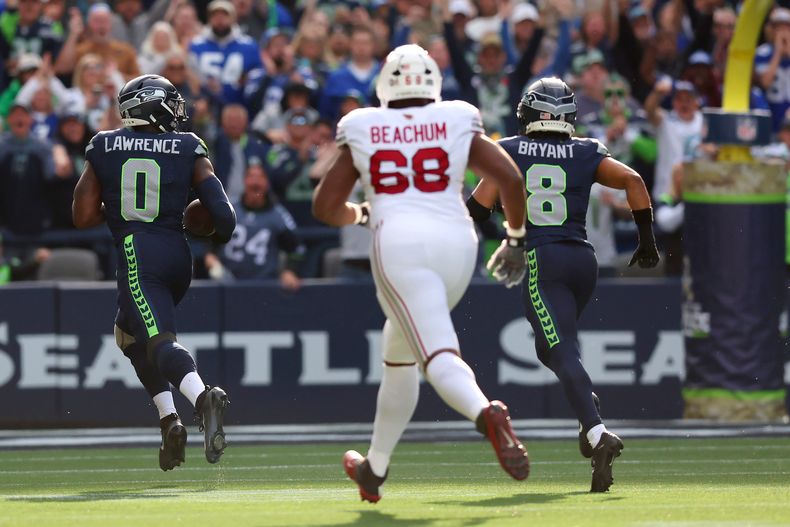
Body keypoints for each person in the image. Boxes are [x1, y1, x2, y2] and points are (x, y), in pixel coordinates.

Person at [313, 44, 530, 503]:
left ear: (384, 84)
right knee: (400, 349)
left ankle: (486, 413)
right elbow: (510, 179)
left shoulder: (364, 123)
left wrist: (361, 214)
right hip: (458, 246)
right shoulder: (456, 116)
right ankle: (375, 467)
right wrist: (514, 238)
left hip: (402, 247)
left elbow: (325, 207)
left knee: (437, 356)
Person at [467, 77, 660, 492]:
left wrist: (493, 218)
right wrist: (646, 242)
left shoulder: (511, 150)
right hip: (582, 260)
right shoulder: (587, 150)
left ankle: (596, 431)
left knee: (559, 348)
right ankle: (586, 405)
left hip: (542, 258)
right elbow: (635, 182)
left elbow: (477, 209)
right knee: (550, 346)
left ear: (528, 113)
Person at [72, 74, 236, 471]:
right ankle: (169, 421)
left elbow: (81, 216)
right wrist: (199, 222)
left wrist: (118, 203)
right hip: (178, 256)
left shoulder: (105, 144)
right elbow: (225, 221)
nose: (179, 111)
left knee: (160, 342)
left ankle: (202, 398)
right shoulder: (188, 146)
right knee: (129, 335)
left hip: (137, 254)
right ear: (155, 106)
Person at [205, 160, 304, 289]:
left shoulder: (279, 216)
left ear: (267, 183)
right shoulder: (229, 209)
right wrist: (212, 259)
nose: (255, 182)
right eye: (251, 177)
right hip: (227, 286)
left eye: (260, 177)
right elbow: (212, 243)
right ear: (244, 181)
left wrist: (290, 271)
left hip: (264, 287)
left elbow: (297, 249)